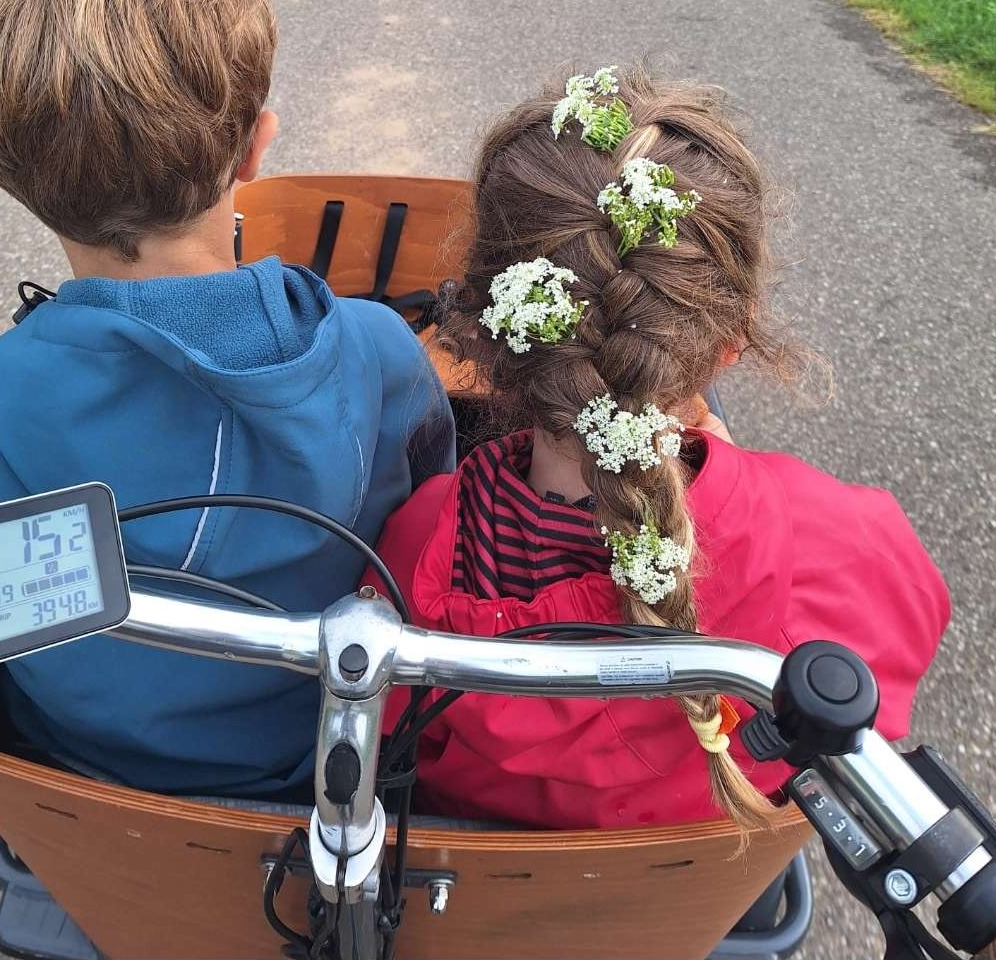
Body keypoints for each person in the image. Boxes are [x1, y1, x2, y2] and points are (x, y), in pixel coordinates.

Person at [0, 0, 454, 798]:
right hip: (334, 768)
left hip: (88, 799)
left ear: (5, 173)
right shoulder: (377, 354)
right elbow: (433, 520)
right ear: (256, 149)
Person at [367, 65, 949, 830]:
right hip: (694, 912)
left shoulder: (414, 548)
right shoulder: (846, 548)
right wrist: (744, 480)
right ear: (730, 344)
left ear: (482, 325)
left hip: (469, 895)